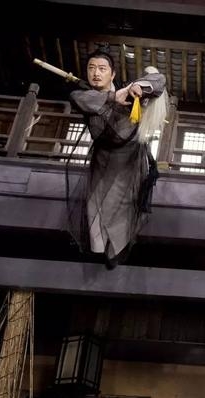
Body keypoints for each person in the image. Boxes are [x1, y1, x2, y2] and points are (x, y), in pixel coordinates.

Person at [68, 49, 168, 268]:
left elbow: (159, 80)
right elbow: (80, 100)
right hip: (102, 159)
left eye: (102, 69)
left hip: (128, 160)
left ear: (112, 74)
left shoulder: (131, 93)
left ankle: (115, 250)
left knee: (121, 206)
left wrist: (138, 86)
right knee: (95, 206)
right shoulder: (84, 96)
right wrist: (114, 97)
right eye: (91, 68)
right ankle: (100, 248)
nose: (96, 73)